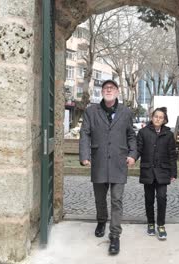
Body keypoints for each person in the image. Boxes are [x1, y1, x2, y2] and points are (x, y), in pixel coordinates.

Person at [79, 79, 137, 255]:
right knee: (99, 198)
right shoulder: (91, 111)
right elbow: (85, 134)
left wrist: (133, 154)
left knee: (116, 200)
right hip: (99, 161)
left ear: (118, 92)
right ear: (102, 92)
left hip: (119, 162)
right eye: (105, 88)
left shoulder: (125, 112)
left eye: (112, 88)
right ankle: (101, 220)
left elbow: (131, 135)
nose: (108, 90)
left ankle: (115, 236)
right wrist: (84, 156)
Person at [136, 107, 177, 240]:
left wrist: (173, 172)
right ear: (151, 117)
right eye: (156, 116)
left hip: (163, 171)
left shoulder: (169, 134)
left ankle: (161, 224)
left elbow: (172, 155)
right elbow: (138, 149)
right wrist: (131, 158)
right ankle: (150, 223)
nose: (158, 119)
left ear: (164, 120)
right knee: (148, 199)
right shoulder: (143, 132)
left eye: (161, 117)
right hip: (148, 170)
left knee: (161, 198)